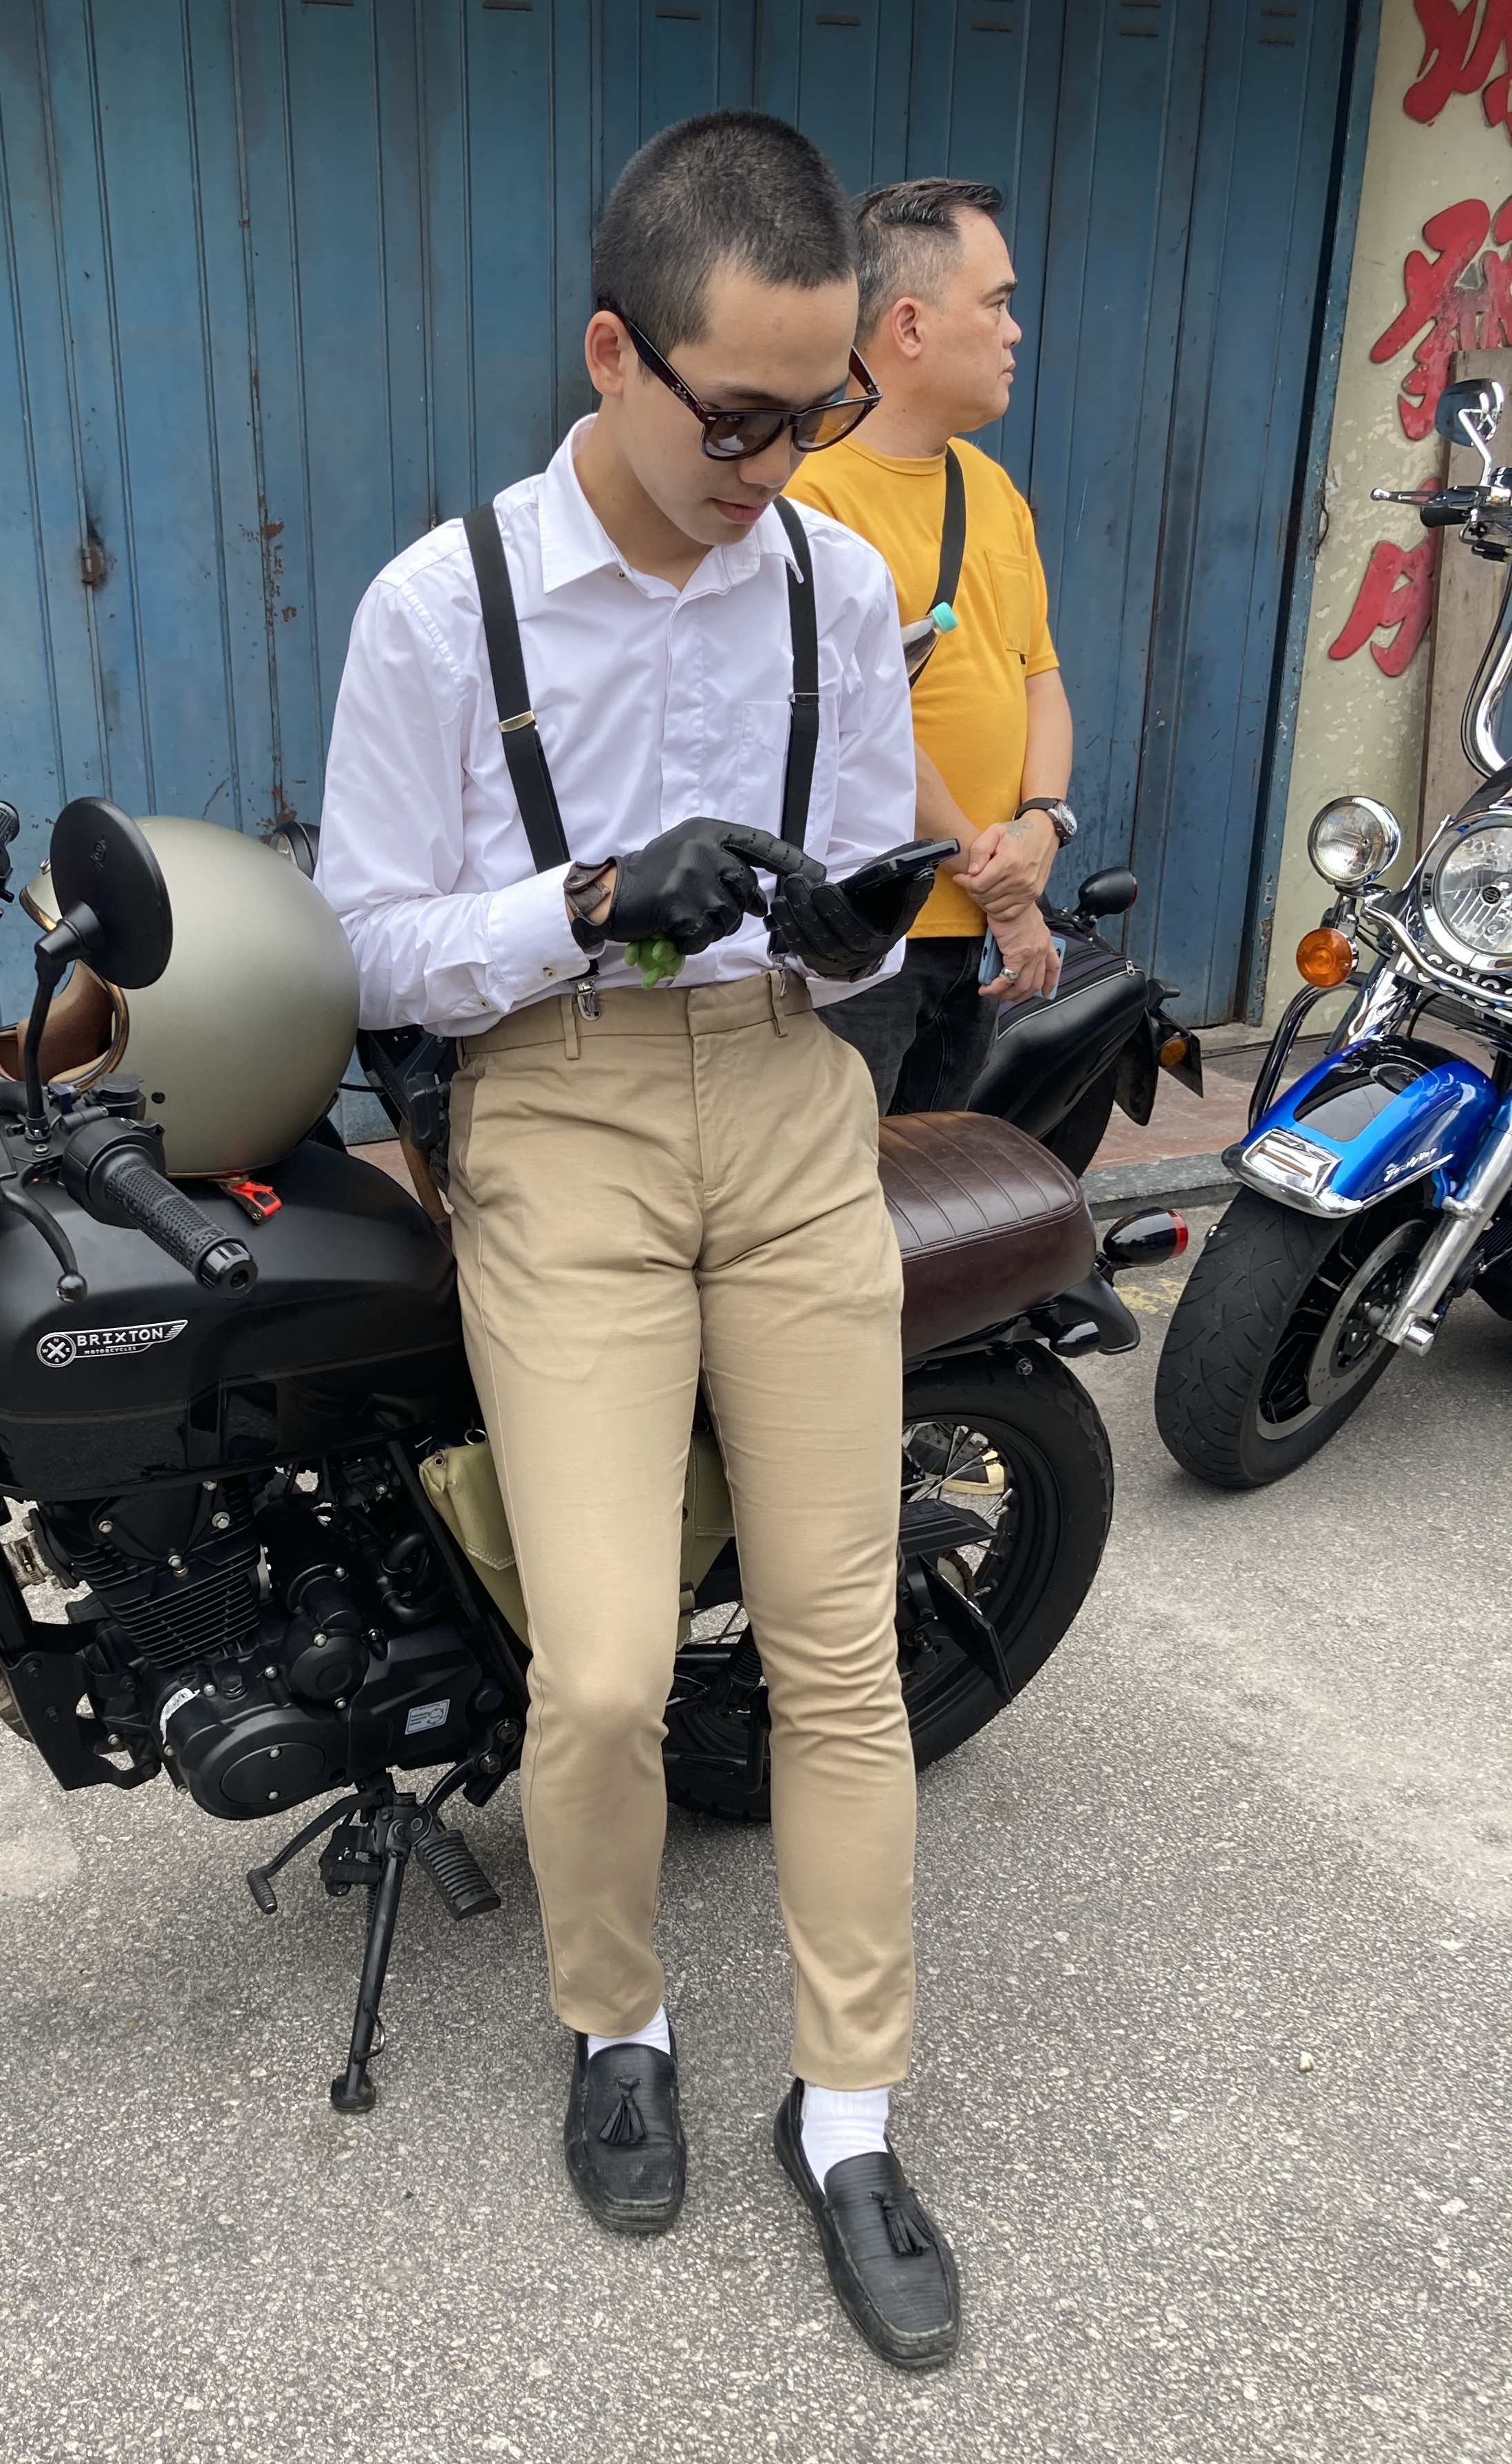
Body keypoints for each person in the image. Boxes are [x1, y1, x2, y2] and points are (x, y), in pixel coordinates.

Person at [316, 113, 960, 2371]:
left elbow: (859, 866)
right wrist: (582, 898)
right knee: (596, 1667)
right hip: (559, 1112)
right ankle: (617, 2023)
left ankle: (847, 2111)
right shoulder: (439, 607)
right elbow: (365, 943)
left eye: (817, 415)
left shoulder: (830, 587)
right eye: (740, 419)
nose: (776, 467)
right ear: (612, 354)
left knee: (832, 1640)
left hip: (780, 1096)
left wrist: (856, 915)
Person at [784, 177, 1077, 1113]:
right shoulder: (809, 499)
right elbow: (854, 723)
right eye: (995, 304)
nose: (1014, 333)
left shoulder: (991, 489)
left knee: (938, 1182)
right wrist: (1004, 890)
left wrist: (1044, 821)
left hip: (976, 937)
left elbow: (1038, 676)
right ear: (908, 325)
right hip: (869, 936)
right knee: (840, 1181)